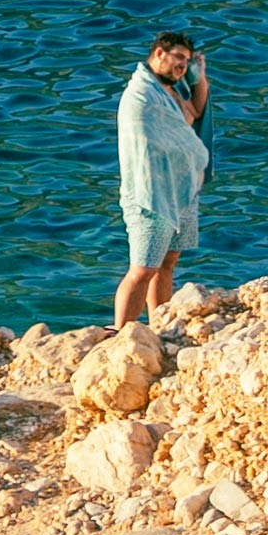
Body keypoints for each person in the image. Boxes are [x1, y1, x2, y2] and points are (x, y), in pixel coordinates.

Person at [114, 32, 209, 327]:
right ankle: (121, 331)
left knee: (167, 263)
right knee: (142, 269)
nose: (183, 65)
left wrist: (199, 78)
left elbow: (195, 113)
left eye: (188, 61)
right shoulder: (142, 93)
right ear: (158, 54)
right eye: (178, 58)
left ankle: (160, 324)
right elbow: (146, 136)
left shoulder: (169, 92)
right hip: (149, 194)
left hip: (177, 191)